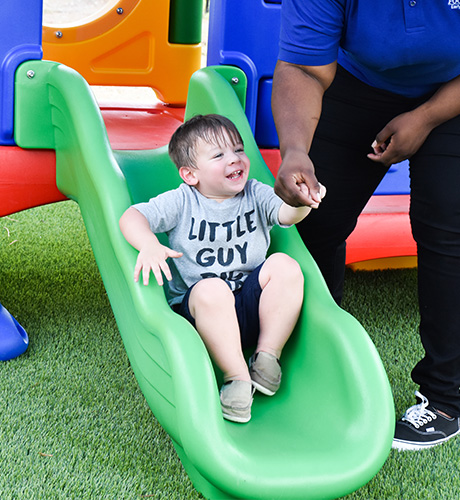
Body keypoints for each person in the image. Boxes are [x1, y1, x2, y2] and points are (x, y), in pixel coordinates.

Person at [271, 0, 460, 450]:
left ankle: (447, 394)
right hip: (360, 83)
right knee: (312, 218)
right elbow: (303, 67)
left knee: (448, 225)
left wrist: (426, 117)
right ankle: (314, 360)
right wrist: (296, 150)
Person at [120, 114, 325, 423]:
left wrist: (301, 201)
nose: (235, 159)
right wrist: (148, 243)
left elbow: (284, 214)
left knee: (286, 266)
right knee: (212, 288)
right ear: (190, 175)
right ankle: (237, 378)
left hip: (251, 305)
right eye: (219, 155)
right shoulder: (182, 201)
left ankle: (267, 356)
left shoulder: (255, 193)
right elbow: (132, 216)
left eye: (239, 150)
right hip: (202, 315)